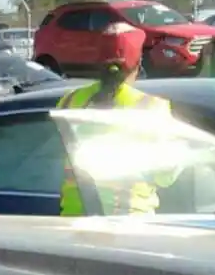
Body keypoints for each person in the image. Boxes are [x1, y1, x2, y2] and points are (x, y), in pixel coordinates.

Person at [54, 27, 174, 216]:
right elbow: (165, 177)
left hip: (75, 218)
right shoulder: (152, 108)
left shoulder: (69, 101)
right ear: (139, 63)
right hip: (130, 224)